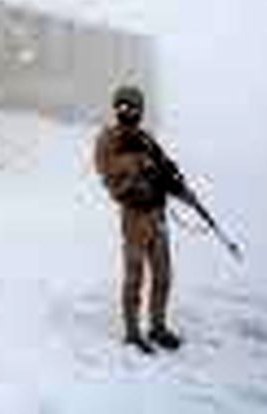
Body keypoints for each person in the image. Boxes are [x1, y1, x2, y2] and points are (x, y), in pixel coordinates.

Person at [94, 85, 192, 354]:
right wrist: (138, 162)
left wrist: (175, 183)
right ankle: (132, 332)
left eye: (133, 107)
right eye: (122, 107)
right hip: (134, 215)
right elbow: (106, 167)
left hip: (157, 214)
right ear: (116, 109)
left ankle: (158, 327)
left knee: (163, 275)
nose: (127, 112)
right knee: (134, 276)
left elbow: (162, 168)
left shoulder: (146, 138)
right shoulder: (109, 138)